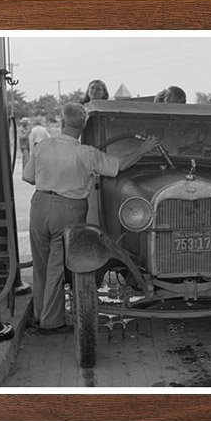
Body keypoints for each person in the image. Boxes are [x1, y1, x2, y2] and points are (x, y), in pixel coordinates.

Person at [22, 102, 159, 333]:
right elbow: (120, 165)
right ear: (83, 127)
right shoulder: (86, 154)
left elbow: (28, 177)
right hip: (68, 209)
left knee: (41, 264)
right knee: (57, 265)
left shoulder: (42, 146)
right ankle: (51, 323)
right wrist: (144, 149)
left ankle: (38, 314)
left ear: (63, 122)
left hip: (40, 205)